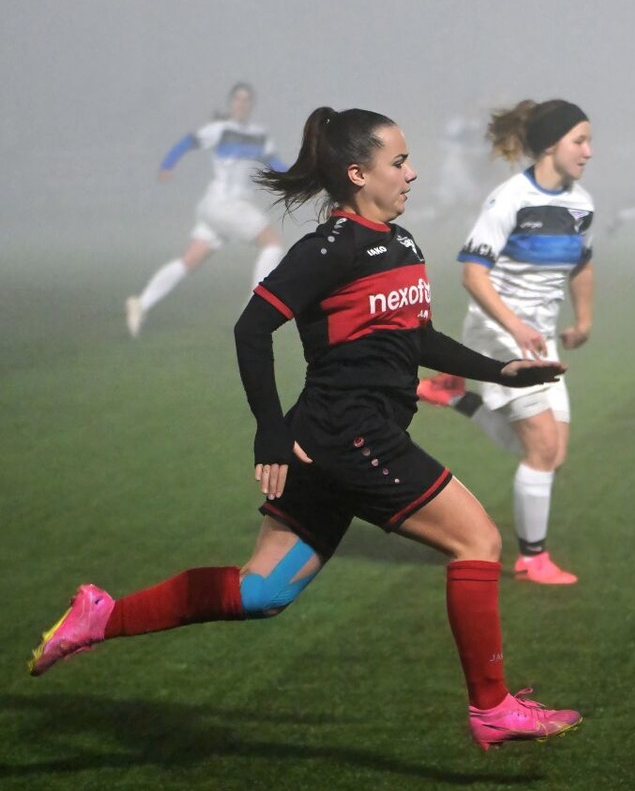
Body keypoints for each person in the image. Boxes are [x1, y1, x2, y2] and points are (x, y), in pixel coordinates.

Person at [29, 106, 582, 750]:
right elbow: (251, 328)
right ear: (357, 173)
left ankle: (101, 616)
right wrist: (268, 430)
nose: (412, 173)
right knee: (480, 542)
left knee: (261, 591)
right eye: (398, 162)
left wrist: (501, 371)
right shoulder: (328, 250)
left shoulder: (402, 244)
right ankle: (491, 708)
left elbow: (419, 338)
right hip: (350, 438)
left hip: (331, 444)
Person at [418, 99, 594, 585]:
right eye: (580, 140)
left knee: (551, 453)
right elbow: (473, 275)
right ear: (552, 144)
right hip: (499, 333)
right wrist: (515, 327)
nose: (589, 151)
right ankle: (532, 558)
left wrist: (582, 319)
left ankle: (457, 397)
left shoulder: (581, 203)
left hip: (539, 340)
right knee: (540, 448)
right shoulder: (510, 198)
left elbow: (581, 263)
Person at [126, 82, 286, 337]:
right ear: (231, 104)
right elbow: (188, 142)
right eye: (237, 99)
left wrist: (300, 178)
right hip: (226, 205)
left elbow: (276, 164)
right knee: (273, 243)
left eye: (246, 100)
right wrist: (168, 165)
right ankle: (256, 313)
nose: (241, 104)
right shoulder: (220, 130)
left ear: (251, 105)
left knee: (190, 260)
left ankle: (140, 304)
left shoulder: (259, 135)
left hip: (215, 210)